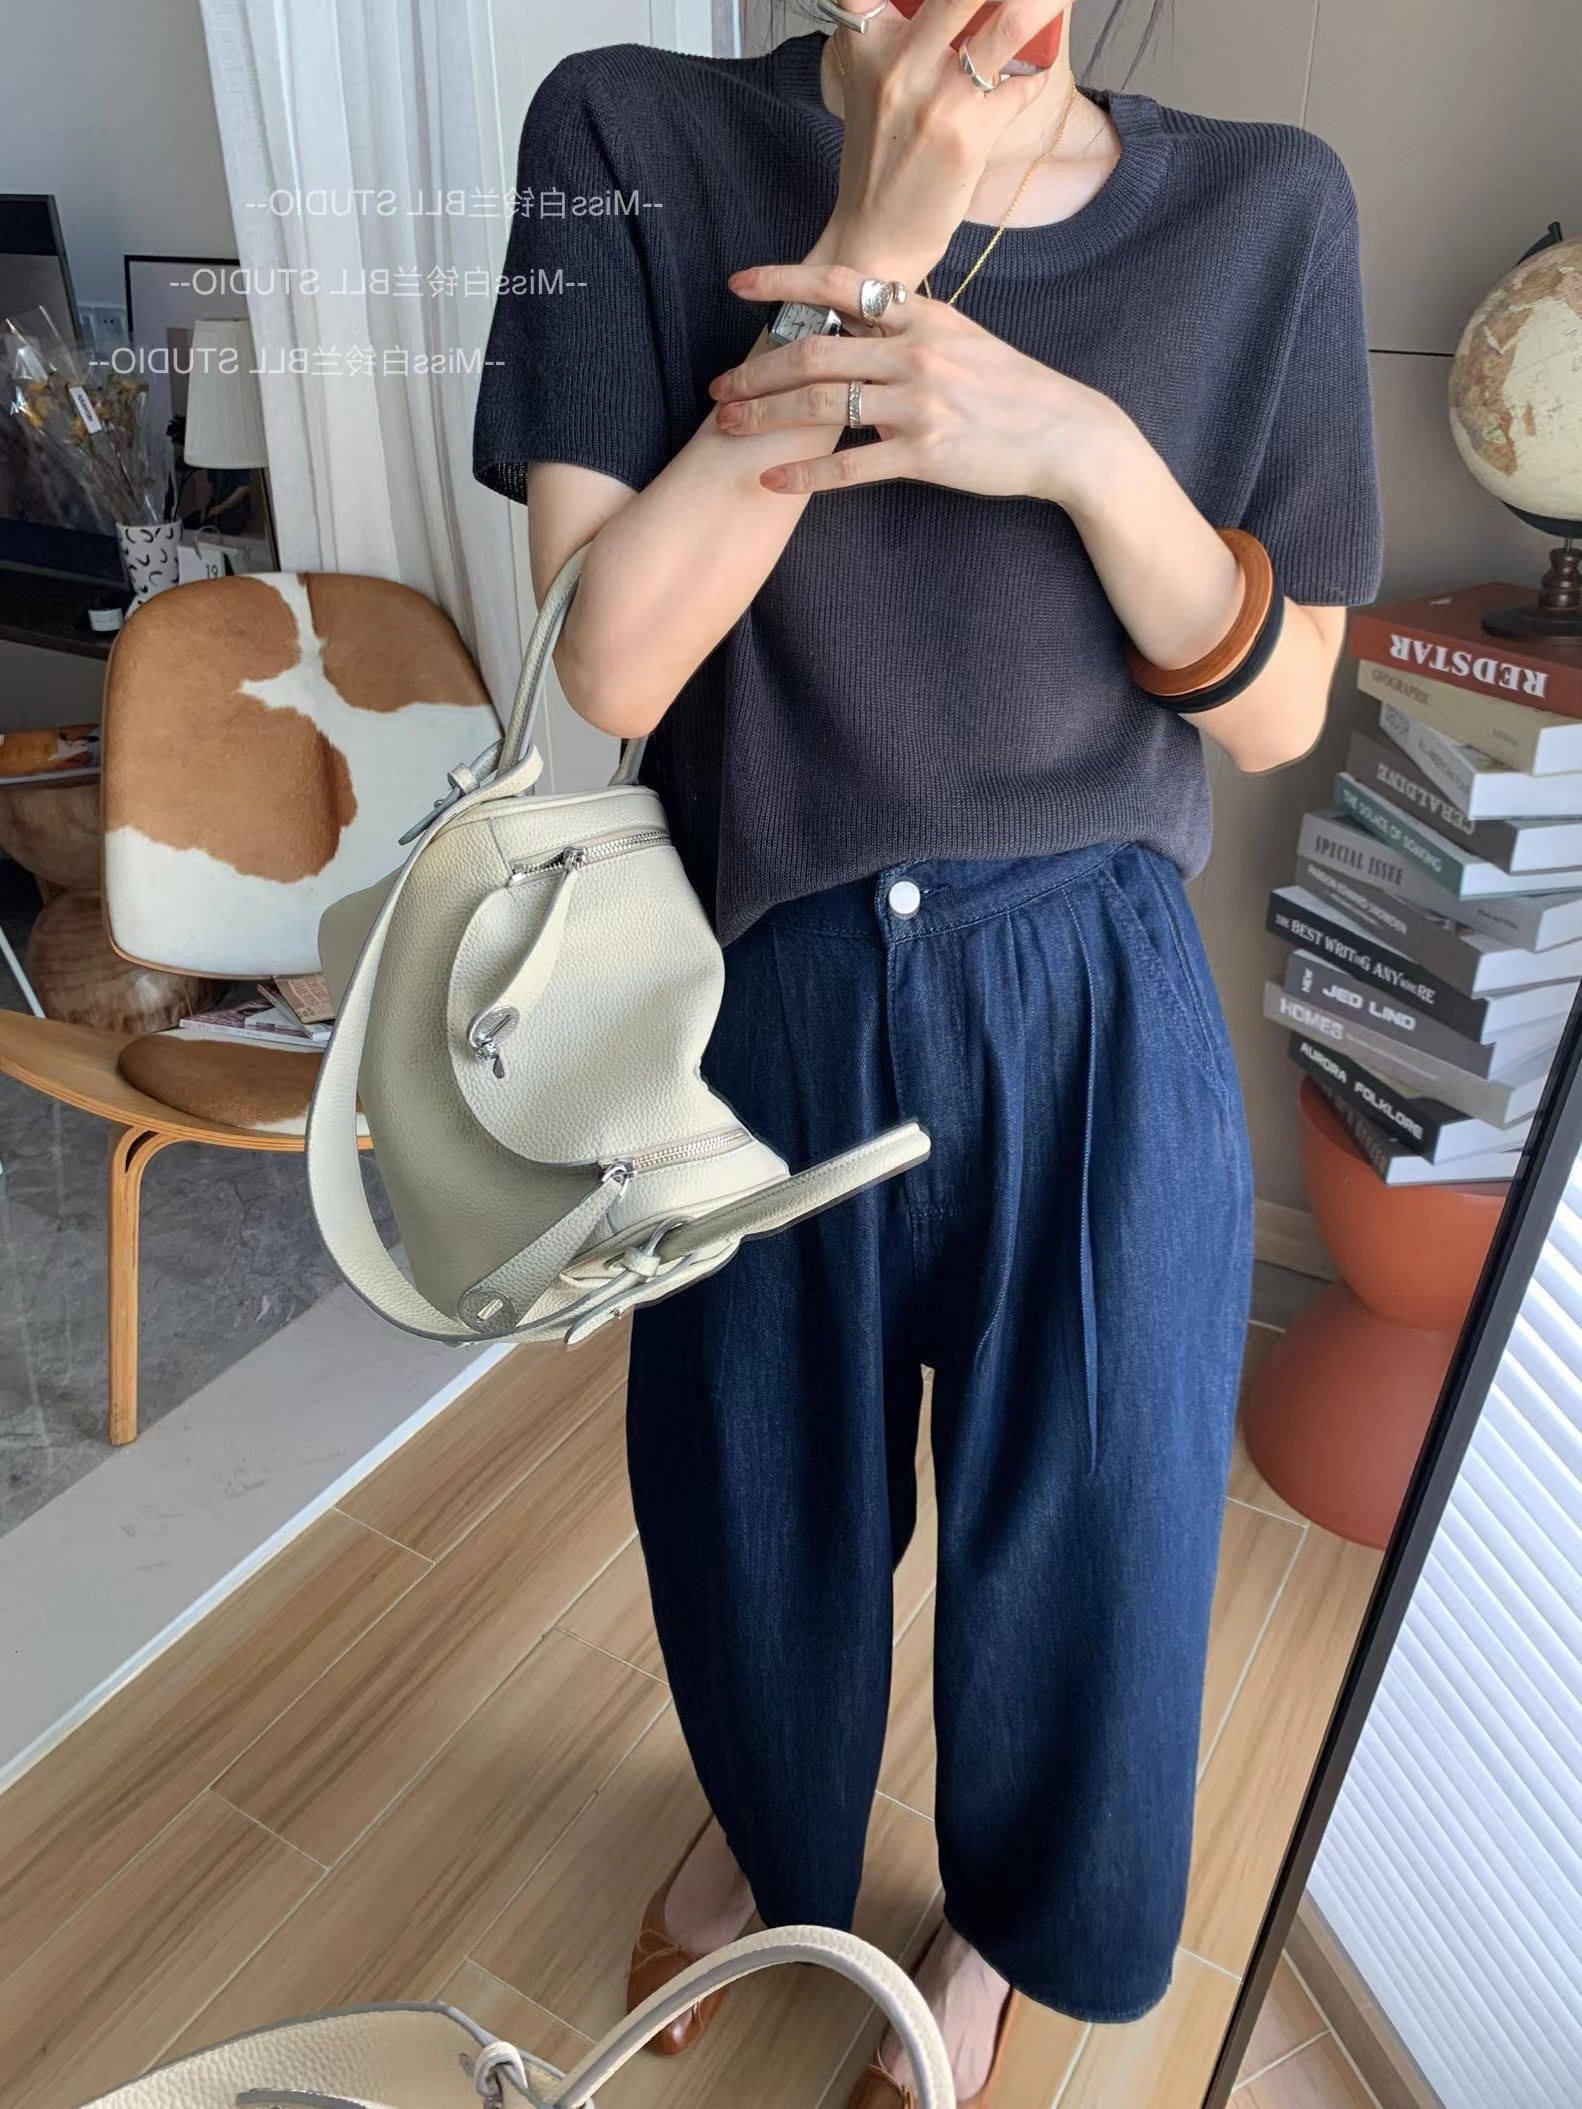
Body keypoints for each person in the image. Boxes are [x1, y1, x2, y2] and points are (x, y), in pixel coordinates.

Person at [473, 3, 1382, 2101]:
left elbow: (1271, 712)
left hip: (1094, 989)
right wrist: (867, 258)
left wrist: (1075, 446)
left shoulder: (1265, 207)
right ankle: (767, 1838)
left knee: (1091, 1530)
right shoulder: (622, 130)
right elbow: (609, 664)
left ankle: (998, 1930)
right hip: (754, 976)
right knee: (744, 1497)